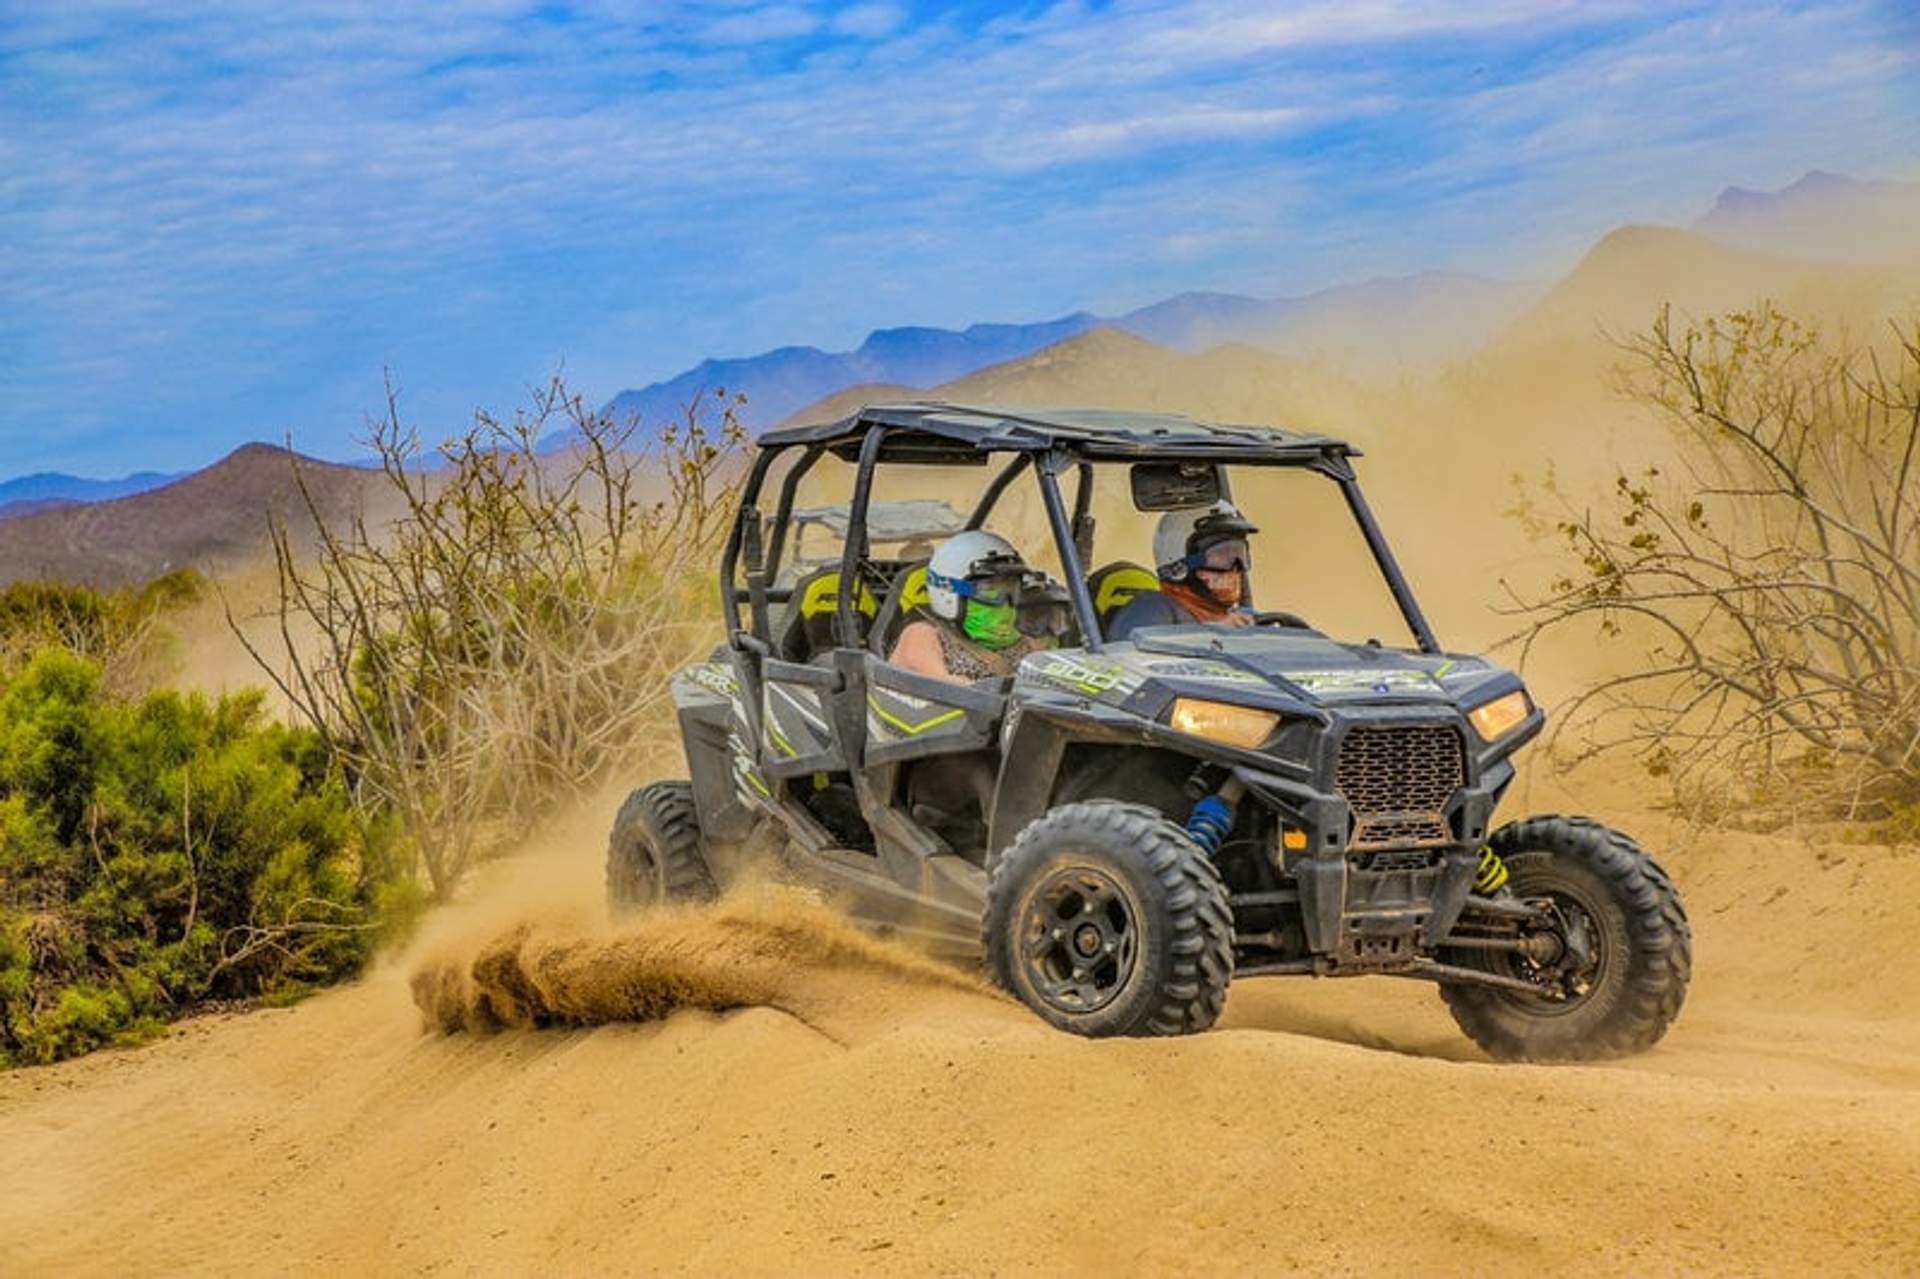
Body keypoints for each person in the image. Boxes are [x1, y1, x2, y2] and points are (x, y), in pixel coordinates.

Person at [891, 530, 1061, 682]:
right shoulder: (922, 636)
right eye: (990, 590)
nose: (1006, 601)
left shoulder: (1031, 637)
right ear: (949, 593)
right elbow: (953, 690)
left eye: (1011, 587)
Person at [1108, 501, 1259, 639]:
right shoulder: (1150, 608)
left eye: (1239, 555)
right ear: (1179, 565)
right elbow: (1133, 662)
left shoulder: (1244, 618)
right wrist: (1214, 633)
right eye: (1220, 556)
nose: (1235, 569)